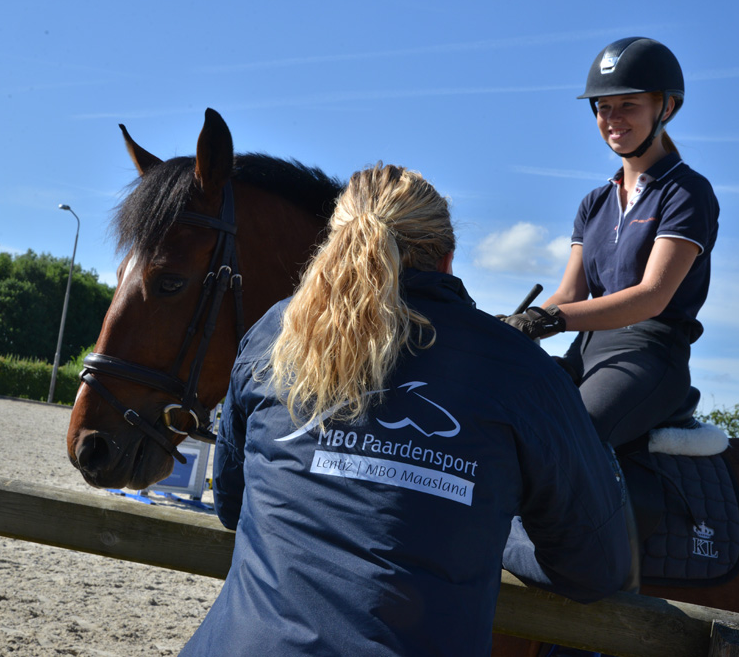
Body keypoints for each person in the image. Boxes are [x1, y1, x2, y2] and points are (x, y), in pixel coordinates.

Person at [180, 164, 630, 656]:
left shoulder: (274, 335)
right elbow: (594, 571)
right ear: (448, 259)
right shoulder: (521, 369)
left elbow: (232, 501)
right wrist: (492, 532)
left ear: (332, 245)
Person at [502, 37, 720, 448]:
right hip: (585, 350)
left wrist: (550, 321)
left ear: (666, 108)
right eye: (603, 107)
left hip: (648, 354)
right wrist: (513, 328)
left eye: (628, 105)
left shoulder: (687, 192)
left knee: (570, 443)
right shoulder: (594, 202)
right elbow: (570, 291)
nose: (613, 118)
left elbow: (652, 296)